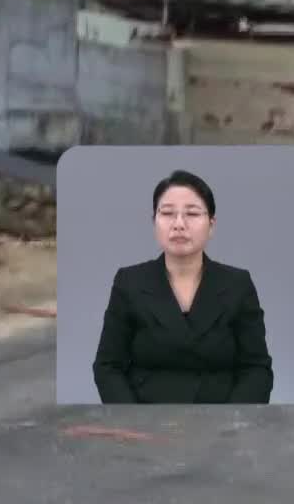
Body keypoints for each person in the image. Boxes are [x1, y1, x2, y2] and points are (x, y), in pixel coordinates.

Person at [91, 169, 273, 403]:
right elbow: (107, 366)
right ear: (154, 222)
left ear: (211, 224)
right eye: (167, 213)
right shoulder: (129, 282)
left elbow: (257, 369)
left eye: (192, 214)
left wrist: (232, 424)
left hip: (220, 425)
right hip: (146, 424)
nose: (179, 224)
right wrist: (132, 421)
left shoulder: (237, 284)